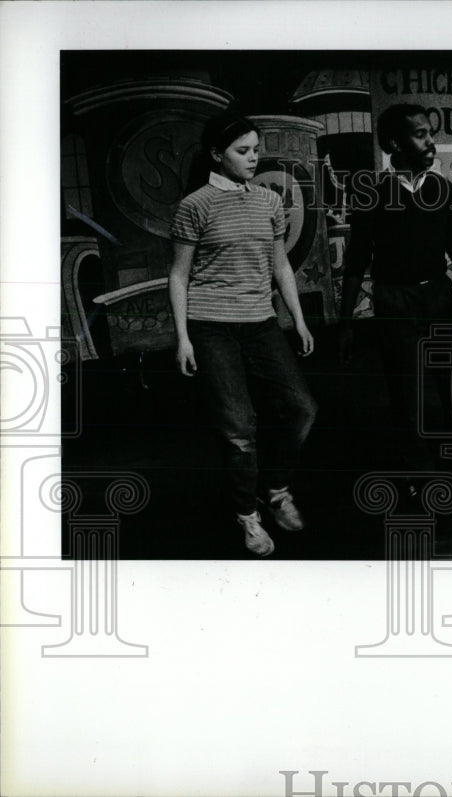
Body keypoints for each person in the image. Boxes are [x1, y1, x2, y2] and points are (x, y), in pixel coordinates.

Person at [169, 112, 317, 556]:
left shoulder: (270, 202)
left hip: (261, 324)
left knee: (302, 409)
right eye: (243, 151)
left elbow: (280, 265)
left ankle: (274, 488)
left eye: (256, 150)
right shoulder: (194, 205)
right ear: (218, 154)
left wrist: (300, 319)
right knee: (239, 428)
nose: (253, 158)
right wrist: (183, 338)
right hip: (211, 327)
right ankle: (247, 516)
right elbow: (179, 275)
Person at [339, 103, 452, 482]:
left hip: (439, 296)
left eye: (430, 133)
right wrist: (345, 322)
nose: (430, 142)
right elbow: (356, 261)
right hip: (395, 301)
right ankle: (420, 473)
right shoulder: (372, 193)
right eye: (420, 134)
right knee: (408, 394)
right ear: (394, 143)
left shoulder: (443, 189)